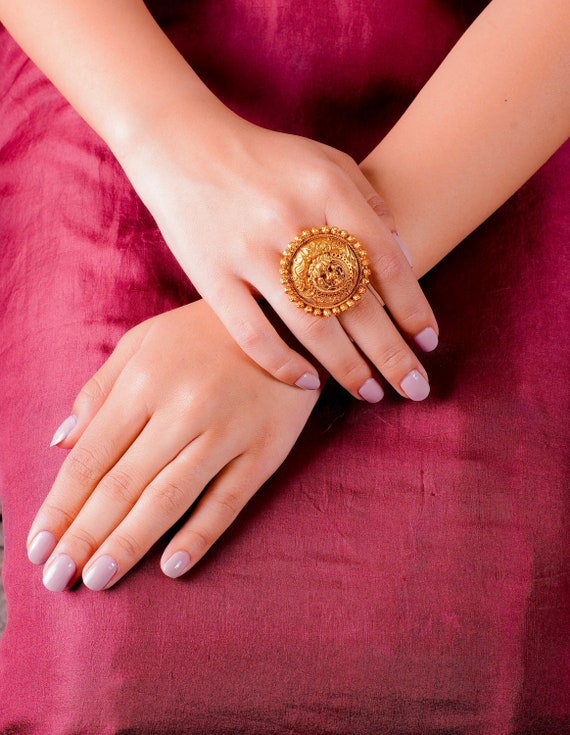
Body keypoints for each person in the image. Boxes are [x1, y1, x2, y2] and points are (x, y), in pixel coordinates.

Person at [0, 0, 568, 731]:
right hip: (113, 74)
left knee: (465, 645)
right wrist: (173, 141)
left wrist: (280, 316)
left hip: (495, 109)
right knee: (103, 658)